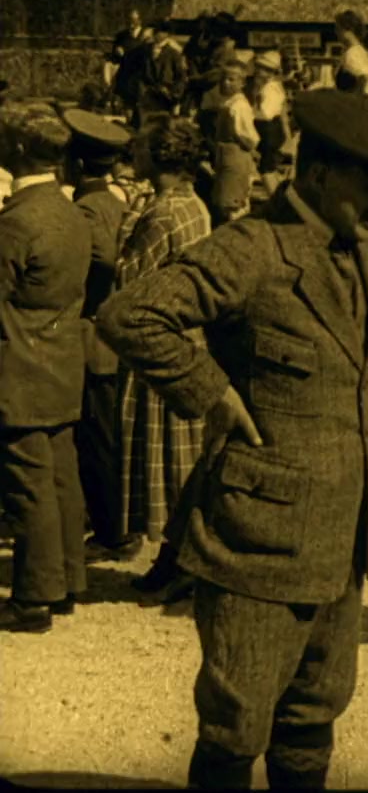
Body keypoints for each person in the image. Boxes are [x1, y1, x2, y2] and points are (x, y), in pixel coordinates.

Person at [97, 89, 368, 790]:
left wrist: (345, 379)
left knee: (313, 713)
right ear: (321, 175)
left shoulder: (362, 249)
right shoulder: (252, 248)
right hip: (257, 542)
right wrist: (213, 392)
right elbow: (130, 315)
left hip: (342, 537)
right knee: (236, 724)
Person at [111, 116, 213, 600]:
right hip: (187, 339)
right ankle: (176, 556)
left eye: (142, 149)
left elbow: (129, 278)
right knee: (182, 457)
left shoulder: (160, 214)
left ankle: (181, 560)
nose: (134, 155)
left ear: (160, 157)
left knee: (166, 459)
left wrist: (128, 220)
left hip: (159, 343)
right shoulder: (192, 203)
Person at [0, 103, 93, 633]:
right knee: (60, 476)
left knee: (27, 484)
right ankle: (67, 580)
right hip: (61, 363)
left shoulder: (17, 222)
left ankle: (34, 597)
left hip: (19, 370)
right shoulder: (70, 212)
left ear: (17, 150)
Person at [62, 108, 140, 564]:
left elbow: (104, 262)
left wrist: (89, 300)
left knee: (96, 438)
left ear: (75, 164)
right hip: (112, 337)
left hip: (94, 335)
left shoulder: (86, 209)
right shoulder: (114, 202)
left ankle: (113, 532)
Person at [209, 58, 260, 227]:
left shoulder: (238, 107)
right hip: (225, 155)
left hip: (235, 156)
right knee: (224, 201)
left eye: (231, 79)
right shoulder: (227, 103)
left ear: (242, 83)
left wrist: (243, 145)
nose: (226, 83)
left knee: (232, 204)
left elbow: (250, 138)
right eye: (223, 78)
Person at [252, 50, 295, 195]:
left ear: (272, 72)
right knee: (269, 168)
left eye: (264, 69)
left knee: (266, 170)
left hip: (269, 131)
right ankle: (278, 196)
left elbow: (265, 115)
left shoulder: (270, 89)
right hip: (272, 131)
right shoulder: (271, 87)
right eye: (258, 67)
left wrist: (247, 112)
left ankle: (274, 199)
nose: (258, 72)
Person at [136, 21, 188, 121]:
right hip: (147, 94)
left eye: (159, 31)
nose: (156, 34)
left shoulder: (174, 53)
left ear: (166, 34)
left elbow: (181, 76)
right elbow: (138, 71)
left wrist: (174, 94)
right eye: (155, 31)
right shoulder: (145, 50)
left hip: (165, 96)